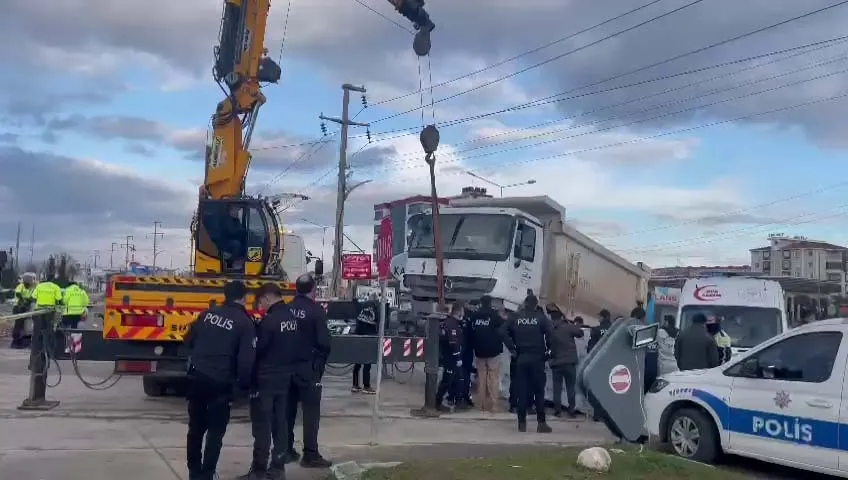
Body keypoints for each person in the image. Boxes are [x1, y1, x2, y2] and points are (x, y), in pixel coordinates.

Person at [184, 281, 256, 480]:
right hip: (221, 383)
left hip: (197, 377)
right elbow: (245, 361)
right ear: (244, 297)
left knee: (196, 429)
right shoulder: (244, 323)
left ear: (225, 295)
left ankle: (194, 472)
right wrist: (243, 387)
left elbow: (188, 340)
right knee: (215, 432)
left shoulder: (207, 314)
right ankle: (207, 474)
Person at [275, 274, 333, 470]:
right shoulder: (316, 311)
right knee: (310, 413)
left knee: (287, 412)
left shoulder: (285, 309)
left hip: (286, 368)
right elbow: (325, 343)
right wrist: (318, 367)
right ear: (313, 289)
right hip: (307, 369)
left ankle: (286, 450)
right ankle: (310, 454)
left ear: (296, 289)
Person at [501, 294, 553, 433]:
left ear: (524, 303)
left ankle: (522, 424)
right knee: (539, 392)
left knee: (521, 392)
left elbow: (502, 331)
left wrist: (512, 348)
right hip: (537, 358)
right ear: (536, 305)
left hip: (521, 357)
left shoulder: (516, 317)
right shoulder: (541, 318)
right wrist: (548, 352)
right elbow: (551, 335)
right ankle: (541, 423)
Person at [467, 295, 504, 412]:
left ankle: (481, 404)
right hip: (494, 351)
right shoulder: (495, 316)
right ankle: (493, 405)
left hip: (479, 351)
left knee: (481, 377)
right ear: (490, 302)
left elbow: (470, 332)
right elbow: (502, 330)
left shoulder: (474, 316)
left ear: (481, 303)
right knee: (493, 378)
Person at [547, 304, 583, 418]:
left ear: (552, 318)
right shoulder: (567, 326)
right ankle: (571, 410)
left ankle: (557, 410)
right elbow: (580, 333)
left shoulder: (550, 329)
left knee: (557, 387)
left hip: (556, 362)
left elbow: (548, 344)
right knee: (570, 387)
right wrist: (569, 323)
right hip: (569, 362)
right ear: (561, 317)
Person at [436, 302, 465, 411]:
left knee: (458, 380)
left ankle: (458, 402)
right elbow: (454, 343)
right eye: (462, 310)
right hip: (451, 358)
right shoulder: (452, 324)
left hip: (451, 357)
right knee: (447, 381)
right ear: (458, 311)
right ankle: (437, 402)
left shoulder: (453, 323)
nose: (464, 313)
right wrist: (457, 357)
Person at [351, 299, 377, 394]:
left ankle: (355, 385)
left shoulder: (360, 309)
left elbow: (354, 302)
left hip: (358, 338)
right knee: (367, 363)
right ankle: (366, 386)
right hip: (368, 339)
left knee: (357, 363)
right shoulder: (374, 311)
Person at [10, 273, 36, 349]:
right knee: (18, 325)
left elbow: (32, 296)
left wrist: (28, 301)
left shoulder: (32, 288)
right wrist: (23, 302)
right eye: (26, 284)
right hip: (18, 307)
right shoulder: (20, 286)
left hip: (25, 308)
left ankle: (22, 341)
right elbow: (18, 294)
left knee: (24, 326)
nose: (27, 285)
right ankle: (15, 342)